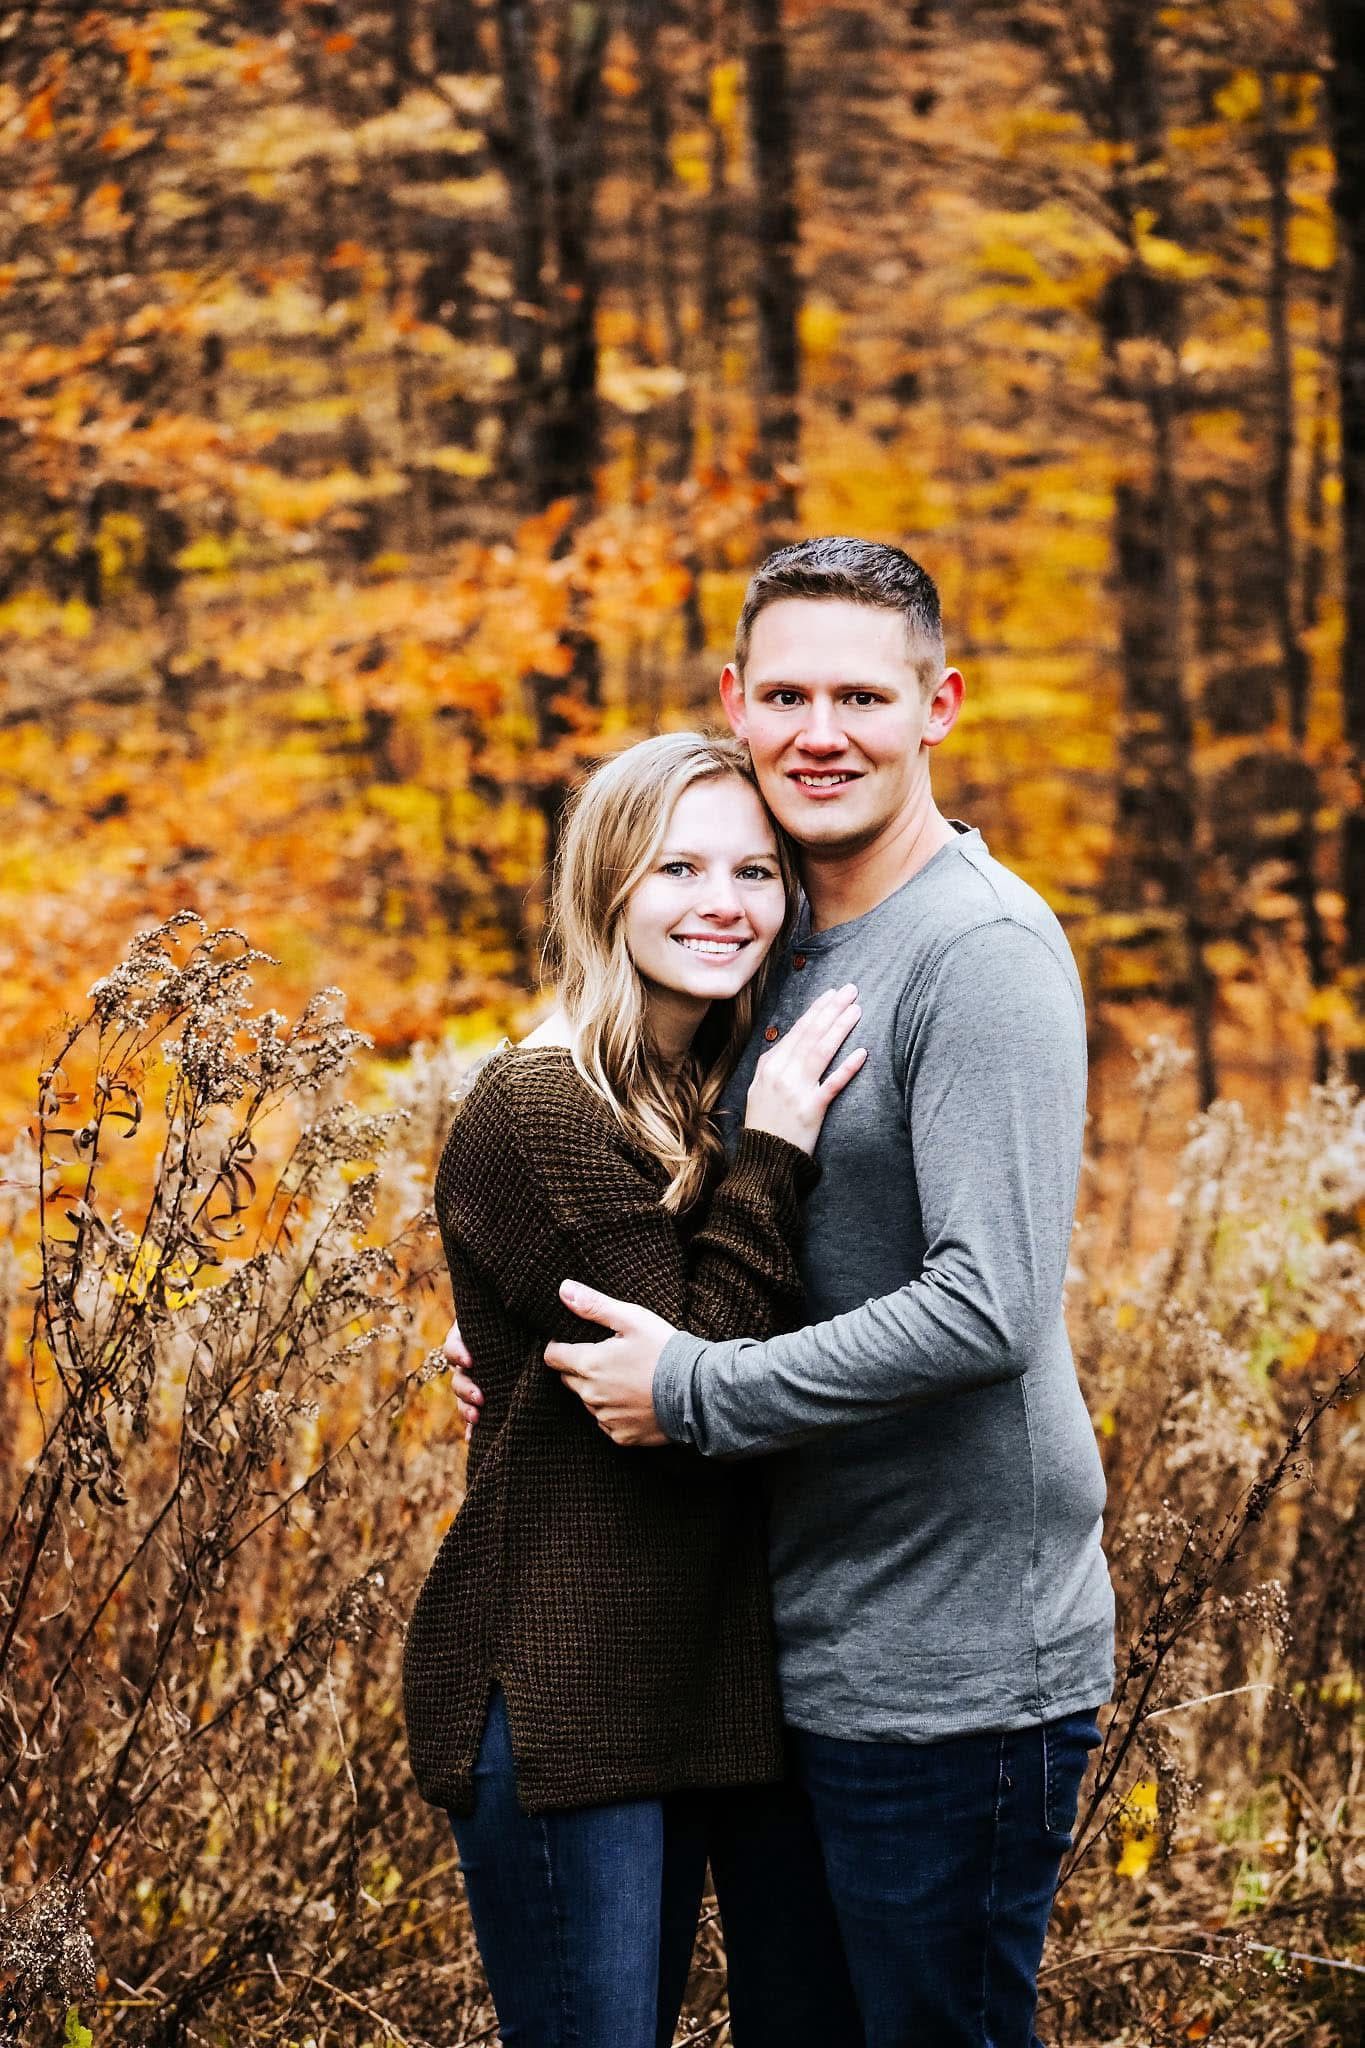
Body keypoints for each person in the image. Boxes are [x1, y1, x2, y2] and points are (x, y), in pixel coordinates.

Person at [447, 538, 1116, 2048]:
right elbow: (688, 1190)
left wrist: (687, 1386)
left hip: (950, 1659)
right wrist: (527, 1323)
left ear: (938, 704)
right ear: (736, 702)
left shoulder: (980, 952)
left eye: (864, 697)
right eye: (791, 692)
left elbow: (986, 1307)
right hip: (785, 1647)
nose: (824, 732)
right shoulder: (770, 936)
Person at [401, 730, 867, 2048]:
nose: (723, 902)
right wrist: (775, 1150)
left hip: (696, 1679)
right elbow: (689, 1399)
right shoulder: (548, 1109)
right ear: (605, 885)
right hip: (562, 1689)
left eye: (756, 871)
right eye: (677, 867)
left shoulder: (689, 1087)